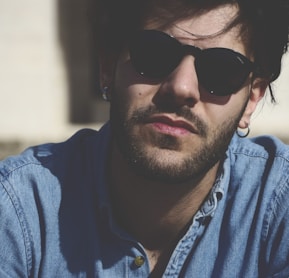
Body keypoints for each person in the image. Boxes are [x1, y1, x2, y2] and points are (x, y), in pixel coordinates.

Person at [1, 0, 289, 277]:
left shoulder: (278, 207)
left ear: (251, 100)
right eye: (154, 53)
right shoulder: (19, 209)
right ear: (107, 68)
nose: (181, 87)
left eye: (222, 69)